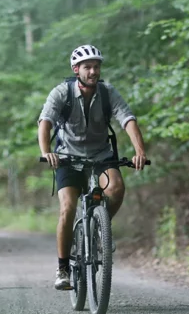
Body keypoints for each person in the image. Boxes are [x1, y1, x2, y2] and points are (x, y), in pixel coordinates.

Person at [38, 44, 149, 290]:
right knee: (67, 208)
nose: (93, 72)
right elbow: (45, 121)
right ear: (76, 70)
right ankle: (63, 268)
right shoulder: (61, 93)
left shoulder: (108, 93)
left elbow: (127, 120)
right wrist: (46, 152)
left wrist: (140, 151)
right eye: (87, 67)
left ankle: (101, 227)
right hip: (67, 157)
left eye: (96, 67)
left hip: (101, 155)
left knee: (117, 188)